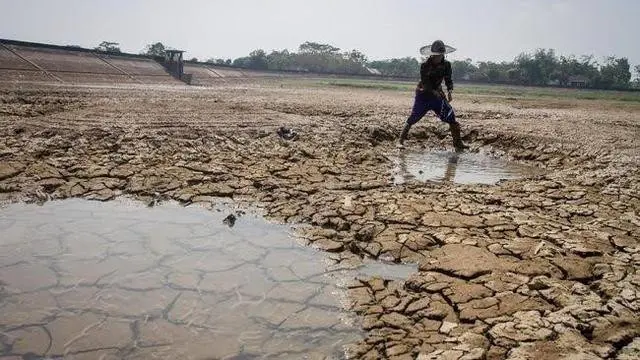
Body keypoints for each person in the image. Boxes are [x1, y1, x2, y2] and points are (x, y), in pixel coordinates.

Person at [399, 40, 468, 151]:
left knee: (450, 115)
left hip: (437, 94)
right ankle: (400, 141)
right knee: (414, 117)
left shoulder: (446, 65)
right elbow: (425, 82)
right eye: (436, 55)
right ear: (432, 55)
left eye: (441, 55)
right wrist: (433, 91)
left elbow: (448, 79)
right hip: (423, 95)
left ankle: (458, 143)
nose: (439, 57)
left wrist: (450, 91)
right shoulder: (425, 66)